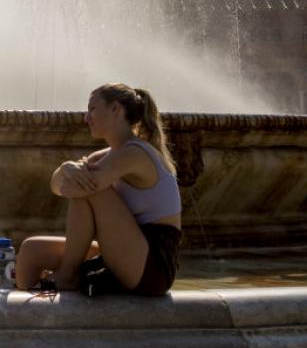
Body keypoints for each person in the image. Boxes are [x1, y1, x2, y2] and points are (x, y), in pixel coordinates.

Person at [15, 83, 182, 296]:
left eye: (92, 109)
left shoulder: (136, 153)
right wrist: (66, 167)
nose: (86, 118)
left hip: (152, 266)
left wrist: (70, 174)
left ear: (116, 110)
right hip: (123, 249)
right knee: (31, 250)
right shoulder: (106, 156)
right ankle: (30, 320)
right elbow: (56, 186)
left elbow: (78, 187)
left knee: (90, 188)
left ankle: (67, 275)